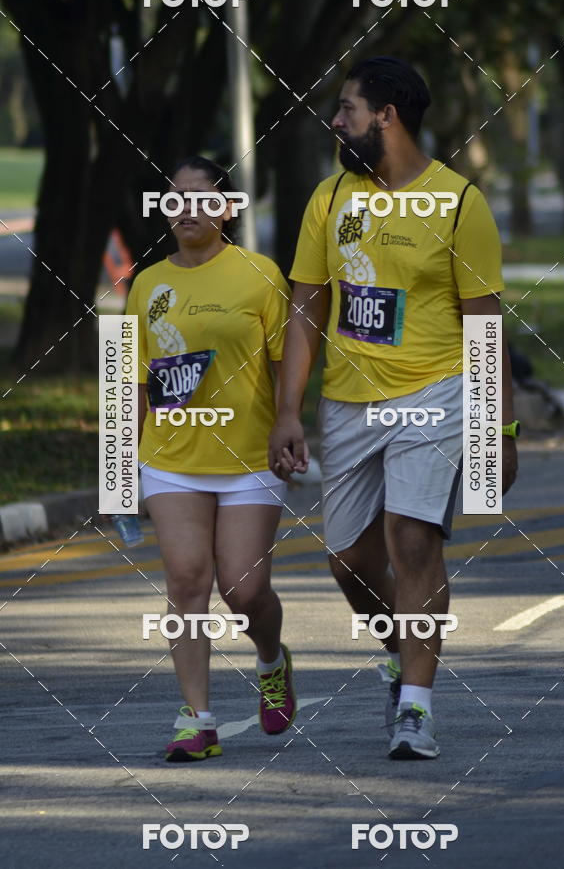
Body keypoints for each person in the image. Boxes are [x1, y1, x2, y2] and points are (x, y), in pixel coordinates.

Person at [269, 57, 518, 759]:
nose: (336, 121)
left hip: (434, 395)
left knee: (413, 542)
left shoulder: (459, 203)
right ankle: (397, 651)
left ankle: (416, 707)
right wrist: (288, 412)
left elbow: (484, 327)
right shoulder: (330, 198)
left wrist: (499, 427)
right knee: (349, 563)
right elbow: (306, 313)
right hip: (348, 404)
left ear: (387, 116)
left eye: (347, 109)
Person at [126, 155, 296, 762]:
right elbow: (134, 381)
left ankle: (272, 660)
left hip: (248, 456)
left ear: (227, 208)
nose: (187, 208)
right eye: (175, 199)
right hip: (170, 456)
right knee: (186, 578)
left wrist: (290, 423)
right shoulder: (146, 284)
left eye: (201, 197)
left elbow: (288, 367)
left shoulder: (260, 275)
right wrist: (119, 471)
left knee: (243, 588)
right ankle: (196, 719)